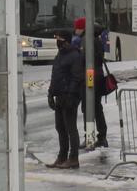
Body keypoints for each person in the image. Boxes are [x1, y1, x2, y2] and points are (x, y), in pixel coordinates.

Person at [46, 30, 83, 169]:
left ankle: (73, 158)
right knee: (60, 127)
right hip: (59, 96)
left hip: (70, 97)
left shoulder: (75, 55)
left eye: (59, 38)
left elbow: (77, 77)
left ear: (66, 40)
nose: (57, 41)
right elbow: (55, 75)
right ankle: (62, 157)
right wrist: (50, 93)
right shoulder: (60, 54)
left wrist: (71, 94)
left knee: (70, 128)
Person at [73, 17, 108, 148]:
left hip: (89, 76)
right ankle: (100, 136)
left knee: (88, 106)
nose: (74, 30)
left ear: (81, 28)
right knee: (96, 107)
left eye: (76, 27)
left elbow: (84, 59)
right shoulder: (94, 38)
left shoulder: (86, 40)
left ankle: (90, 136)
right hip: (95, 75)